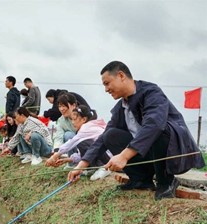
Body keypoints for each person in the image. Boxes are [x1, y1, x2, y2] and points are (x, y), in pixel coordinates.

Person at [68, 61, 205, 200]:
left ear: (121, 75)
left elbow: (154, 125)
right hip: (147, 152)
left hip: (174, 151)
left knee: (158, 129)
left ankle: (166, 182)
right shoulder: (121, 107)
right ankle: (141, 180)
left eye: (107, 83)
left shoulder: (151, 93)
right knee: (110, 135)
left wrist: (124, 156)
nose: (106, 89)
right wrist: (81, 165)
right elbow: (103, 139)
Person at [45, 105, 111, 181]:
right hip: (107, 157)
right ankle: (93, 168)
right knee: (82, 144)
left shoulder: (86, 128)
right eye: (71, 120)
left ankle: (103, 168)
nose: (72, 122)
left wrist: (55, 156)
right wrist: (68, 159)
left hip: (108, 158)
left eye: (74, 119)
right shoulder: (89, 128)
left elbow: (71, 142)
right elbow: (86, 153)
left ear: (84, 119)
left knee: (82, 143)